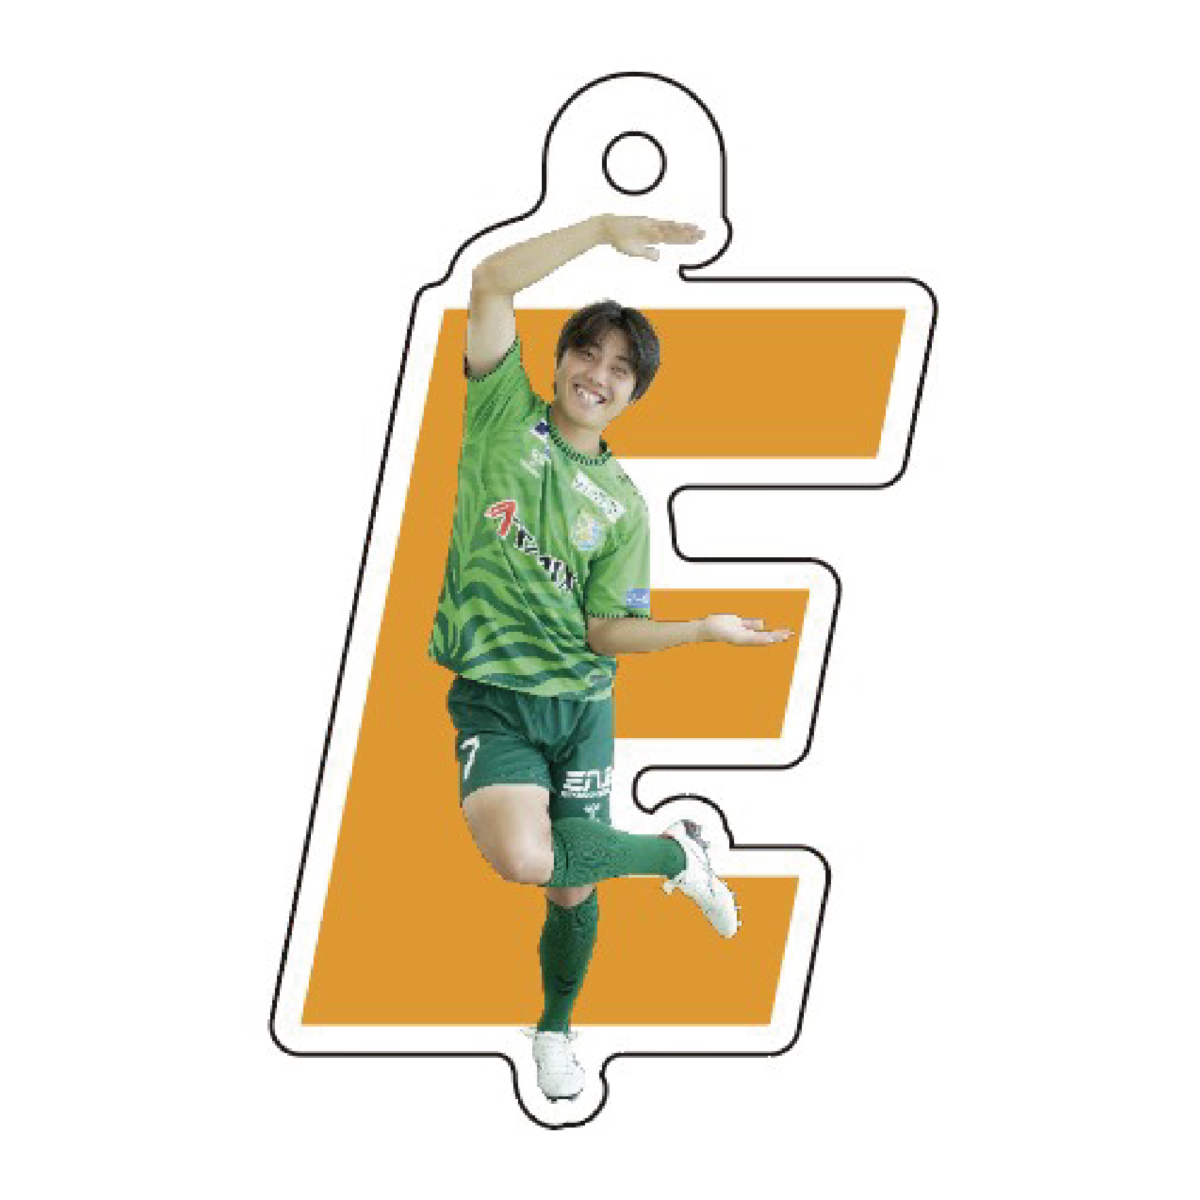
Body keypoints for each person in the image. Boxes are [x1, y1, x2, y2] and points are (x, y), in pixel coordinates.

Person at [428, 214, 792, 1102]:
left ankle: (555, 1030)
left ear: (635, 393)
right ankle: (676, 856)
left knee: (570, 887)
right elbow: (491, 280)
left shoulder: (624, 505)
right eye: (587, 354)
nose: (598, 374)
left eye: (621, 369)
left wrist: (698, 630)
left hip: (581, 706)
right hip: (494, 696)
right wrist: (599, 228)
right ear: (559, 360)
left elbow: (606, 632)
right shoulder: (501, 410)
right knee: (529, 859)